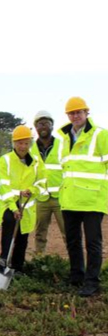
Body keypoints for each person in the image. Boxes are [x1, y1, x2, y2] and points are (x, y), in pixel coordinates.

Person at [58, 97, 108, 297]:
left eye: (79, 112)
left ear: (87, 113)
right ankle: (76, 277)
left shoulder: (101, 135)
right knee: (72, 241)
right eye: (72, 113)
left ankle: (92, 282)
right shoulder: (64, 138)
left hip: (92, 199)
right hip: (70, 198)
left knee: (93, 243)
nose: (75, 116)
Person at [0, 126, 46, 274]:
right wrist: (13, 207)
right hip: (8, 203)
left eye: (25, 143)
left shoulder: (36, 161)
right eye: (19, 143)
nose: (22, 146)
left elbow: (42, 181)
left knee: (23, 236)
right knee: (9, 223)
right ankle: (4, 258)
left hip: (27, 206)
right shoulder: (5, 160)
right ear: (13, 143)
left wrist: (33, 190)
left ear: (30, 143)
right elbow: (3, 185)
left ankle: (18, 267)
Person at [30, 111, 66, 256]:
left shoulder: (63, 145)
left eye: (46, 123)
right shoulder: (31, 149)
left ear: (52, 125)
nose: (43, 126)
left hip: (61, 197)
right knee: (40, 233)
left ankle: (75, 264)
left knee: (68, 232)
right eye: (40, 124)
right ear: (36, 127)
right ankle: (40, 260)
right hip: (41, 199)